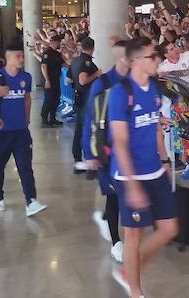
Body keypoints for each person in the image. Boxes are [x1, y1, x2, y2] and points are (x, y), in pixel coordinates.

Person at [109, 38, 179, 298]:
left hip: (154, 169)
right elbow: (120, 141)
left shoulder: (155, 89)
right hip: (130, 174)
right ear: (137, 60)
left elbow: (155, 128)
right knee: (134, 235)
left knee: (169, 228)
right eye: (152, 56)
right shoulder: (120, 93)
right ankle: (135, 291)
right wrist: (132, 185)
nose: (157, 60)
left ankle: (129, 270)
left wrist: (164, 160)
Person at [0, 44, 48, 217]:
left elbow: (27, 99)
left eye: (22, 56)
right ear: (8, 58)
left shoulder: (26, 77)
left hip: (21, 131)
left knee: (25, 166)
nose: (22, 59)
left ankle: (31, 201)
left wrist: (26, 120)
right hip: (1, 132)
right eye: (18, 56)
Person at [83, 40, 131, 263]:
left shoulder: (137, 81)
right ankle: (116, 241)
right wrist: (90, 155)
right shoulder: (102, 84)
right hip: (108, 153)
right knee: (113, 197)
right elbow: (90, 121)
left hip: (132, 151)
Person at [70, 36, 101, 170]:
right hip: (87, 98)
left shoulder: (75, 60)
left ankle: (77, 157)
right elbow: (83, 80)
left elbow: (68, 80)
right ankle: (86, 158)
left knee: (79, 129)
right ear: (93, 48)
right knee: (86, 129)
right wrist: (97, 74)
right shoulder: (87, 62)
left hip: (79, 97)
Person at [41, 35, 65, 128]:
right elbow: (44, 66)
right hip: (49, 80)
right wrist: (47, 80)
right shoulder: (47, 53)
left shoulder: (57, 53)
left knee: (55, 99)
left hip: (56, 80)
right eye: (59, 42)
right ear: (55, 42)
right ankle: (44, 119)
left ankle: (52, 118)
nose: (60, 44)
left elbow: (64, 63)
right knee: (48, 100)